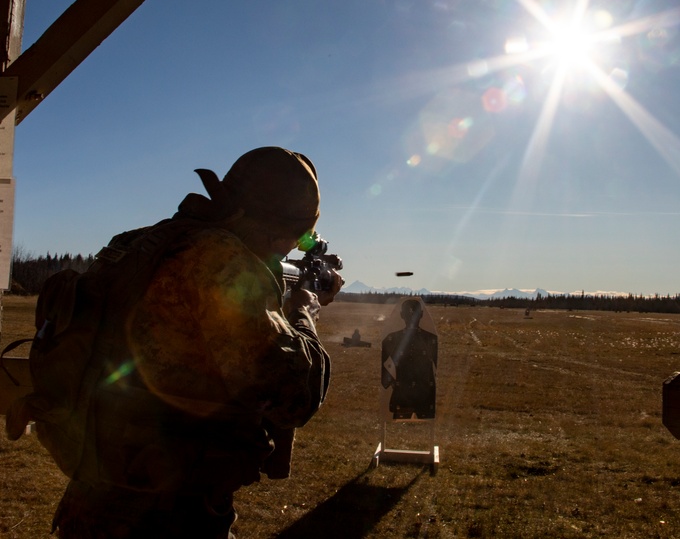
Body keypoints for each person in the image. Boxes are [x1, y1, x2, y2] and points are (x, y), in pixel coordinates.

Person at [52, 147, 343, 539]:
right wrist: (304, 312)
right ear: (272, 224)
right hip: (165, 516)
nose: (287, 248)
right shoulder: (220, 260)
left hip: (91, 499)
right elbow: (293, 395)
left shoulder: (140, 242)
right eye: (290, 237)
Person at [381, 299, 438, 420]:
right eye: (409, 314)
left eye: (414, 314)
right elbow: (384, 372)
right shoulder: (431, 339)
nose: (411, 317)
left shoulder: (392, 339)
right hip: (407, 395)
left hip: (420, 396)